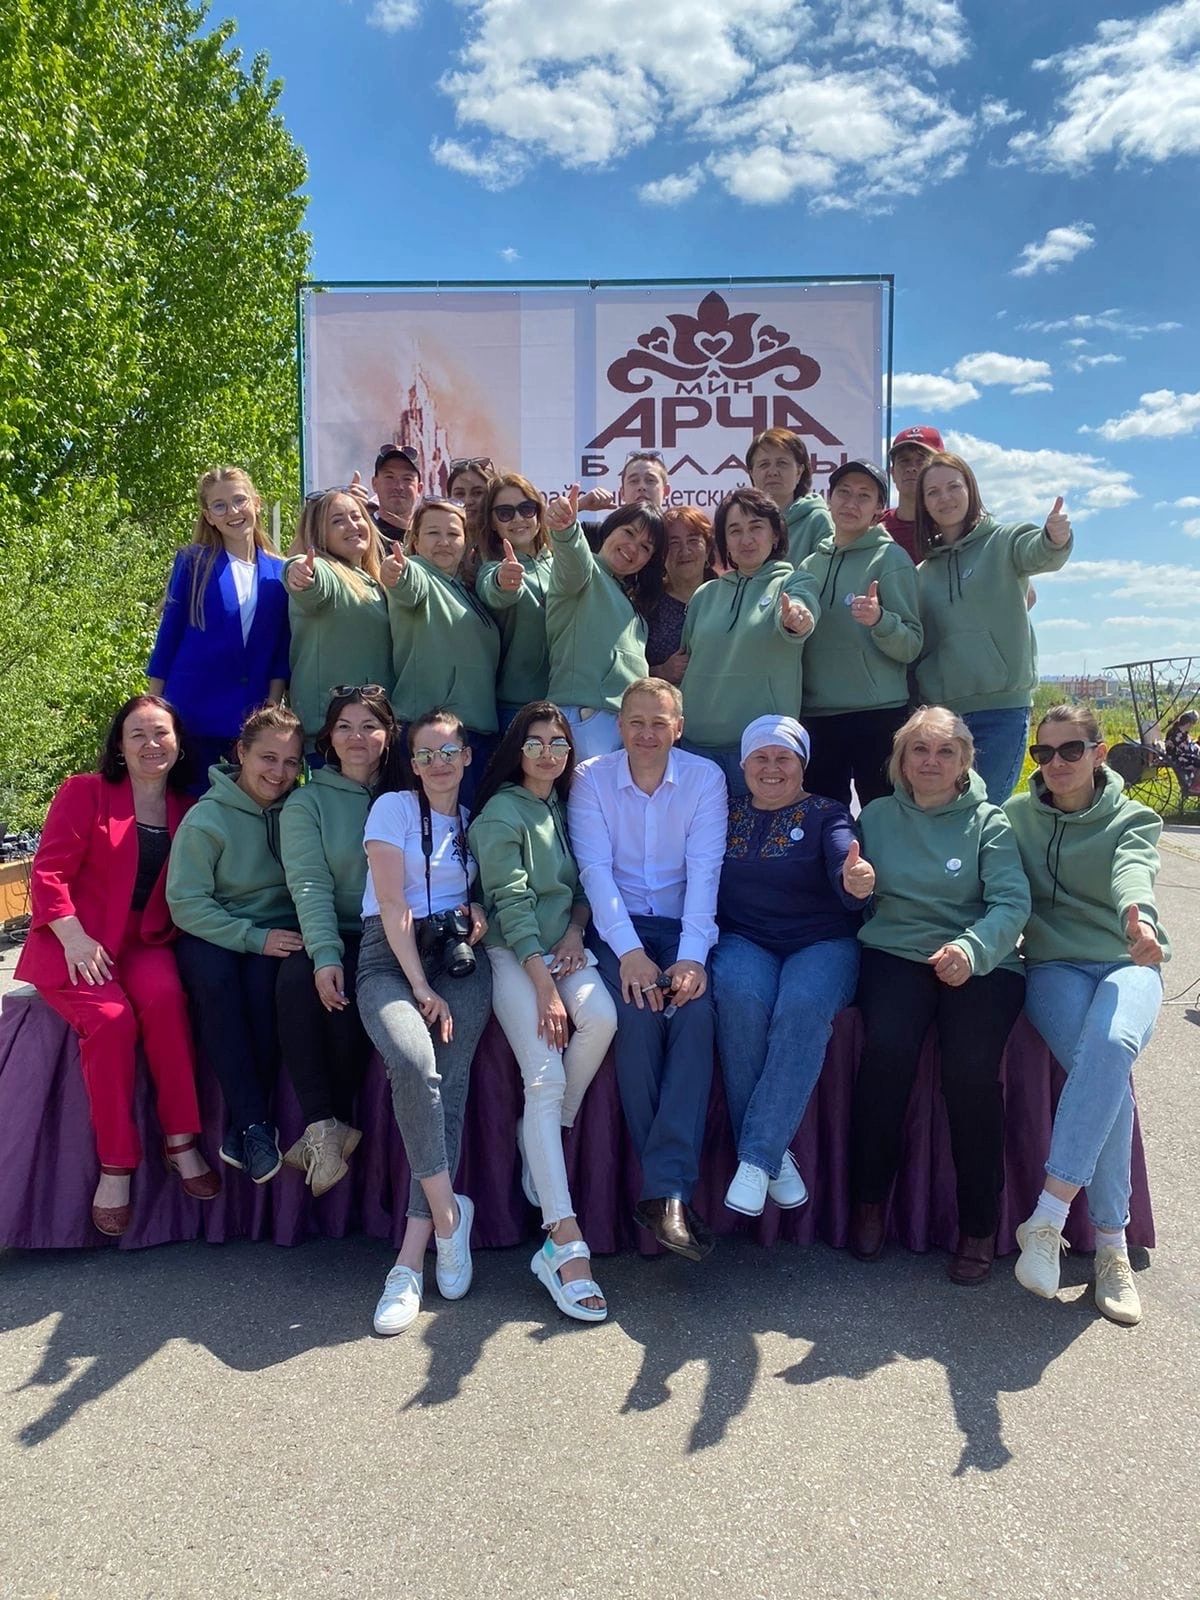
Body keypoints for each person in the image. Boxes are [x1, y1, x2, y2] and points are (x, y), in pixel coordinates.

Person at [16, 696, 219, 1236]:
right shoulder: (85, 792)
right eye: (138, 735)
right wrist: (73, 937)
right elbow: (49, 873)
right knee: (111, 1021)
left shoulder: (187, 809)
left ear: (179, 744)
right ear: (120, 746)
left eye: (162, 733)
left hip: (146, 941)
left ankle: (181, 1140)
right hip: (77, 941)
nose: (152, 744)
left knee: (168, 1002)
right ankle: (117, 1164)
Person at [848, 706, 1030, 1284]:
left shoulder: (990, 822)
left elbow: (1011, 903)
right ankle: (869, 1202)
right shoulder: (876, 816)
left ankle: (979, 1225)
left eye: (945, 751)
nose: (931, 761)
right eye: (919, 750)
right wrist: (854, 887)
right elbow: (853, 893)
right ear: (901, 761)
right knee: (886, 1054)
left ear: (964, 762)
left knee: (971, 1073)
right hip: (896, 952)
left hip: (979, 959)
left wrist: (971, 950)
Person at [1005, 704, 1169, 1326]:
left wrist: (1138, 918)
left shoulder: (1135, 817)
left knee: (1112, 1043)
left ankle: (1050, 1217)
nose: (1056, 763)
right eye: (1042, 753)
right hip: (1054, 966)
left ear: (1099, 753)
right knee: (1104, 1070)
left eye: (1070, 750)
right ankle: (1110, 1242)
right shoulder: (1017, 816)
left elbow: (1134, 872)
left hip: (1129, 959)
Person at [568, 678, 727, 1262]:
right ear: (619, 726)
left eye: (659, 722)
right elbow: (595, 872)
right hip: (619, 927)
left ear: (678, 728)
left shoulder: (705, 778)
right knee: (636, 1019)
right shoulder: (591, 778)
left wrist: (691, 957)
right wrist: (630, 952)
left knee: (695, 1017)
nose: (646, 733)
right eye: (636, 721)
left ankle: (665, 1195)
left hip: (685, 925)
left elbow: (706, 870)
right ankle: (669, 1193)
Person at [469, 703, 617, 1322]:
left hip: (562, 948)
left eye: (559, 743)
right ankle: (562, 1239)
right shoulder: (501, 813)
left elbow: (580, 891)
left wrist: (577, 934)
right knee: (546, 1074)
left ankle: (543, 1140)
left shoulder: (563, 805)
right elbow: (510, 905)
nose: (549, 754)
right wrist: (544, 987)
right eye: (535, 743)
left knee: (603, 1019)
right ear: (517, 750)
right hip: (513, 954)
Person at [357, 708, 491, 1336]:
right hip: (390, 958)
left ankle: (410, 1259)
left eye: (449, 751)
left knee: (451, 1081)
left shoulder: (472, 822)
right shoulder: (392, 810)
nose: (439, 763)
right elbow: (391, 903)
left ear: (467, 756)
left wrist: (478, 912)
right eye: (426, 754)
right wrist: (417, 986)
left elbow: (490, 891)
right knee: (414, 1061)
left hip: (458, 960)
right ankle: (448, 1219)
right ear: (411, 764)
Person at [712, 716, 867, 1217]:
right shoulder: (723, 813)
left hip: (821, 943)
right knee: (739, 1001)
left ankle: (756, 1160)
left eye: (784, 757)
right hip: (744, 940)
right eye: (760, 757)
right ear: (743, 765)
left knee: (801, 1008)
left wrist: (854, 879)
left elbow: (844, 862)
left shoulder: (828, 813)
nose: (772, 767)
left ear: (803, 765)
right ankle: (773, 1159)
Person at [166, 704, 306, 1183]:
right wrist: (251, 938)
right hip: (215, 929)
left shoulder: (298, 812)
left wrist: (268, 941)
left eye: (290, 762)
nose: (279, 772)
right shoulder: (207, 819)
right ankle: (253, 1124)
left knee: (269, 986)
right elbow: (186, 903)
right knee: (217, 979)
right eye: (268, 758)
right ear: (241, 753)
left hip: (277, 929)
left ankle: (245, 1129)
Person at [277, 687, 404, 1195]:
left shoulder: (409, 794)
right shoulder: (307, 801)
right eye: (345, 727)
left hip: (396, 934)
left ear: (388, 735)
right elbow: (310, 883)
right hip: (338, 928)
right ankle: (323, 1126)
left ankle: (332, 1134)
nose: (357, 737)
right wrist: (324, 954)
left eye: (370, 726)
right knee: (300, 980)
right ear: (328, 737)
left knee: (361, 995)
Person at [913, 452, 1073, 802]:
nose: (944, 498)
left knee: (985, 810)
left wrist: (1054, 538)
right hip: (942, 716)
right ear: (923, 503)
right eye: (933, 492)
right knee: (943, 810)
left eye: (954, 487)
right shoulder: (922, 573)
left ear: (971, 490)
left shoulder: (1003, 541)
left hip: (1001, 711)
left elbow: (1037, 551)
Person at [147, 467, 290, 788]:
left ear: (256, 503)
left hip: (250, 721)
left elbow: (281, 650)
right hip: (192, 715)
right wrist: (152, 710)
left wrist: (271, 706)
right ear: (208, 516)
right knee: (192, 807)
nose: (232, 512)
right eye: (220, 506)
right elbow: (167, 639)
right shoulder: (194, 562)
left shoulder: (279, 571)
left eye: (239, 500)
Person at [678, 487, 820, 794]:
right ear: (724, 542)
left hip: (761, 752)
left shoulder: (794, 581)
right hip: (693, 748)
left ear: (775, 535)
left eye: (756, 527)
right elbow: (687, 660)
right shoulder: (704, 595)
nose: (746, 539)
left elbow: (802, 611)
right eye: (735, 530)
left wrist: (798, 618)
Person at [798, 460, 922, 807]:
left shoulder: (892, 559)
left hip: (878, 715)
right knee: (826, 822)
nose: (851, 503)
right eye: (844, 492)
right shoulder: (810, 565)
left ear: (879, 508)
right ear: (829, 498)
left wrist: (881, 620)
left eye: (864, 496)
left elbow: (912, 644)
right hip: (820, 717)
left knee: (884, 818)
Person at [386, 495, 501, 802]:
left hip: (473, 734)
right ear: (415, 541)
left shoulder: (464, 588)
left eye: (453, 533)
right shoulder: (418, 570)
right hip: (432, 736)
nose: (444, 542)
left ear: (466, 542)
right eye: (433, 533)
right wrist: (396, 573)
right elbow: (407, 584)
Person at [544, 485, 667, 760]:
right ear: (609, 529)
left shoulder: (629, 598)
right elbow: (573, 558)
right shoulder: (586, 573)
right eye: (629, 532)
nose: (632, 548)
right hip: (586, 718)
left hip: (624, 722)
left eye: (645, 547)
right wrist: (566, 530)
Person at [284, 489, 394, 750]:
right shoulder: (324, 570)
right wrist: (298, 572)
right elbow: (310, 581)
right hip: (330, 735)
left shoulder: (371, 580)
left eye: (357, 516)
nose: (352, 525)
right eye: (338, 521)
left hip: (372, 731)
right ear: (319, 534)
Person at [476, 475, 554, 728]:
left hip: (566, 703)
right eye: (505, 513)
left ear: (539, 513)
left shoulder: (562, 564)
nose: (518, 518)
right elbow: (494, 591)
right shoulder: (490, 569)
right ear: (492, 522)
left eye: (527, 508)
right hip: (515, 708)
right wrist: (504, 580)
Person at [646, 507, 717, 685]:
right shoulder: (645, 604)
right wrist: (660, 672)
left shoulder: (729, 598)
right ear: (661, 554)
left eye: (693, 540)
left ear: (708, 548)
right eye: (674, 543)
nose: (685, 551)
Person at [745, 427, 834, 566]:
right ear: (751, 473)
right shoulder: (742, 521)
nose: (773, 472)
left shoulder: (817, 520)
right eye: (764, 464)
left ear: (799, 471)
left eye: (782, 463)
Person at [879, 425, 944, 561]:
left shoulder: (953, 528)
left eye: (921, 461)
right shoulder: (874, 527)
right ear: (892, 473)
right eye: (904, 461)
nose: (911, 468)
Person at [445, 455, 496, 586]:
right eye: (459, 494)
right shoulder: (439, 544)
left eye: (477, 493)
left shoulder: (507, 542)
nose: (467, 501)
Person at [578, 449, 670, 516]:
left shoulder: (673, 533)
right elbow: (568, 526)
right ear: (622, 493)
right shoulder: (603, 532)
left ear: (666, 491)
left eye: (650, 480)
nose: (642, 487)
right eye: (634, 481)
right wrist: (579, 505)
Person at [370, 443, 422, 547]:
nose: (398, 486)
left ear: (419, 489)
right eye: (389, 477)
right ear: (374, 484)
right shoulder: (364, 535)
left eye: (407, 479)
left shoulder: (428, 538)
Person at [1164, 710, 1200, 792]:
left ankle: (1195, 783)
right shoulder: (1178, 734)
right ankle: (1194, 786)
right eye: (1192, 724)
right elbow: (1186, 749)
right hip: (1176, 757)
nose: (1192, 727)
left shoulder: (1179, 731)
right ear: (1189, 723)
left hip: (1180, 755)